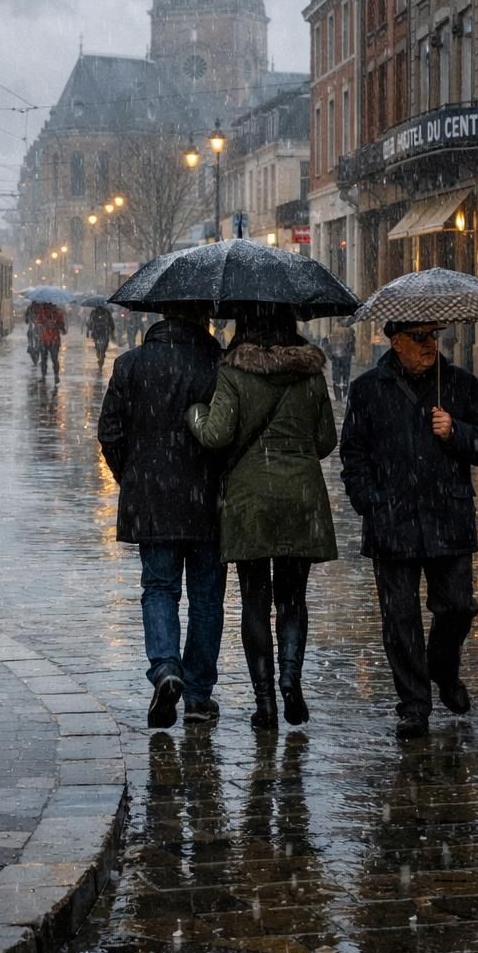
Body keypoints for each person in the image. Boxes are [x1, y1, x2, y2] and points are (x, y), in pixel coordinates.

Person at [339, 319, 478, 740]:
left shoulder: (459, 384)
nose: (429, 344)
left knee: (458, 606)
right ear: (396, 342)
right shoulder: (368, 389)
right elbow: (353, 453)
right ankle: (414, 705)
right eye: (419, 337)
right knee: (400, 619)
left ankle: (443, 668)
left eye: (433, 336)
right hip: (391, 520)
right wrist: (370, 501)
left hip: (448, 517)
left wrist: (456, 431)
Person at [186, 306, 337, 732]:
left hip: (250, 500)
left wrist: (195, 412)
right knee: (293, 599)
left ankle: (265, 701)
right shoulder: (311, 375)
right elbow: (326, 440)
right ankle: (290, 677)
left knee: (255, 600)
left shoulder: (234, 373)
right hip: (301, 497)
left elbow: (215, 435)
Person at [98, 307, 226, 728]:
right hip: (208, 500)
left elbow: (109, 432)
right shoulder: (219, 365)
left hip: (152, 499)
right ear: (203, 318)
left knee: (159, 588)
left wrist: (133, 476)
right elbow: (230, 433)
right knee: (206, 598)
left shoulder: (131, 364)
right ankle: (198, 695)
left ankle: (166, 667)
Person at [34, 301, 66, 383]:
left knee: (53, 359)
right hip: (45, 339)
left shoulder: (57, 313)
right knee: (44, 359)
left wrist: (55, 325)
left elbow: (62, 327)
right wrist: (45, 323)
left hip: (53, 340)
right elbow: (37, 323)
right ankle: (45, 376)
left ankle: (55, 376)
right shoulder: (42, 313)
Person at [325, 321, 356, 402]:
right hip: (346, 358)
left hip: (336, 358)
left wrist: (331, 356)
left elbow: (326, 345)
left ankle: (338, 398)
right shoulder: (350, 333)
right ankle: (345, 396)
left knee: (336, 379)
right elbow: (352, 348)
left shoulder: (333, 333)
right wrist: (350, 353)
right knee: (346, 378)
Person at [86, 304, 116, 370]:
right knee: (102, 346)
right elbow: (112, 324)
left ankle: (100, 354)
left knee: (101, 347)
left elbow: (89, 323)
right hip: (102, 332)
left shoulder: (95, 312)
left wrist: (89, 330)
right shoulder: (105, 312)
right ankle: (101, 354)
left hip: (99, 332)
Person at [24, 304, 41, 368]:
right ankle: (35, 350)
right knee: (35, 340)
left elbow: (26, 320)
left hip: (34, 329)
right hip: (35, 330)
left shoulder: (30, 307)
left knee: (33, 340)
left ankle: (33, 350)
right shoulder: (41, 307)